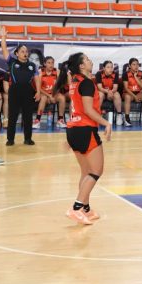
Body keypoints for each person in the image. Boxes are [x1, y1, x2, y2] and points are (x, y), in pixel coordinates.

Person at [55, 52, 112, 225]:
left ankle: (85, 209)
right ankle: (76, 208)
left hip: (73, 129)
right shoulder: (86, 83)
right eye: (86, 59)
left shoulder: (75, 81)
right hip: (85, 129)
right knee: (96, 171)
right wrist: (106, 123)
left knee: (86, 172)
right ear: (81, 66)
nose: (90, 60)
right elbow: (88, 109)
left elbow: (78, 107)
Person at [0, 26, 40, 146]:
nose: (25, 53)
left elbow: (37, 78)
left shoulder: (32, 65)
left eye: (26, 51)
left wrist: (38, 91)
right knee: (13, 116)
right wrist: (3, 37)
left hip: (28, 91)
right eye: (22, 51)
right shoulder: (12, 62)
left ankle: (28, 138)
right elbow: (4, 49)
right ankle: (10, 139)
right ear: (17, 53)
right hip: (15, 91)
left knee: (28, 116)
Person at [34, 56, 66, 129]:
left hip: (54, 93)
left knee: (62, 97)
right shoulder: (40, 72)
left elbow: (59, 86)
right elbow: (38, 88)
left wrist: (53, 95)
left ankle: (60, 120)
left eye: (52, 63)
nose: (51, 65)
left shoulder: (57, 71)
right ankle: (37, 120)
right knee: (43, 98)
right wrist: (49, 96)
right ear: (44, 64)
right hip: (44, 93)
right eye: (49, 63)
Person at [122, 58, 142, 127]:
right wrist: (135, 97)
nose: (136, 66)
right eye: (134, 64)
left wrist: (135, 77)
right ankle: (127, 118)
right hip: (128, 93)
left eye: (137, 64)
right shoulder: (125, 74)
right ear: (129, 66)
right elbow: (126, 88)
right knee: (127, 97)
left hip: (138, 93)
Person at [96, 61, 122, 126]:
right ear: (104, 68)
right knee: (100, 94)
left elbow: (115, 87)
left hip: (111, 93)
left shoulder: (115, 74)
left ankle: (119, 115)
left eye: (111, 67)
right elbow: (99, 87)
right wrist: (108, 91)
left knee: (117, 94)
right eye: (108, 67)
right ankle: (97, 115)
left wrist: (111, 92)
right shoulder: (99, 74)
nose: (110, 69)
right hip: (103, 92)